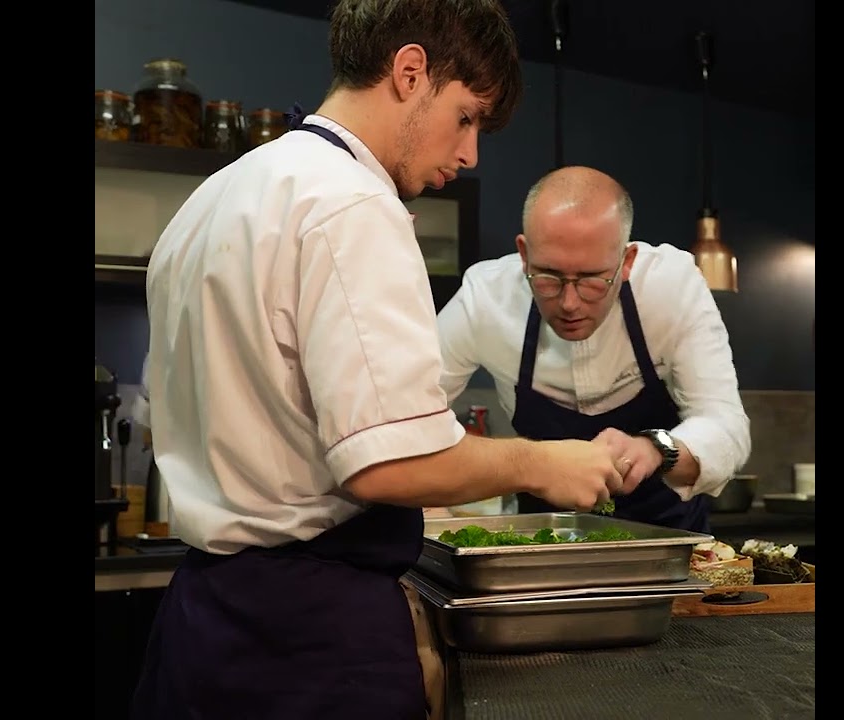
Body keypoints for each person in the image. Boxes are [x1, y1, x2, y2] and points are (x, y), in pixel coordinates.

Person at [130, 3, 630, 719]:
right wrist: (543, 463)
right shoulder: (353, 205)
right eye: (466, 117)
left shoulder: (212, 199)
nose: (471, 154)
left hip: (201, 624)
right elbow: (387, 464)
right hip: (309, 645)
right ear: (410, 71)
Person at [436, 165, 752, 535]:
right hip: (545, 542)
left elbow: (727, 425)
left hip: (668, 541)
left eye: (592, 280)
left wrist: (655, 449)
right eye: (549, 277)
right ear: (523, 254)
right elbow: (406, 413)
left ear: (627, 262)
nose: (570, 304)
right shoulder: (485, 299)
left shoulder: (671, 289)